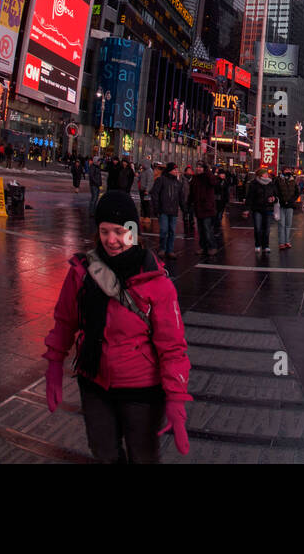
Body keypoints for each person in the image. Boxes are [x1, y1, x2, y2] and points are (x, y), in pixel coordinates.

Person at [43, 191, 191, 463]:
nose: (111, 240)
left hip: (141, 391)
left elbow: (172, 348)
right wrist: (54, 364)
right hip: (95, 383)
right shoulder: (83, 272)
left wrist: (176, 399)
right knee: (104, 454)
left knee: (142, 457)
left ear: (133, 231)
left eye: (119, 232)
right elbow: (65, 322)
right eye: (104, 231)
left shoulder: (157, 283)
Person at [150, 162, 183, 261]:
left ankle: (170, 250)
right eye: (174, 170)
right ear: (170, 171)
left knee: (172, 231)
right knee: (164, 230)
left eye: (177, 170)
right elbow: (155, 194)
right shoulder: (161, 180)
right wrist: (156, 208)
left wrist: (183, 207)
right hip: (163, 209)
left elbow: (180, 196)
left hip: (173, 210)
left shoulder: (177, 183)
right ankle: (162, 248)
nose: (176, 171)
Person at [245, 164, 276, 255]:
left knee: (267, 229)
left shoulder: (271, 183)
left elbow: (276, 195)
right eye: (264, 174)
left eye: (267, 174)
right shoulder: (254, 184)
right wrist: (247, 209)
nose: (266, 175)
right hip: (257, 208)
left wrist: (274, 199)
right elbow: (249, 197)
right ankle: (258, 245)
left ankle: (266, 246)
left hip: (268, 208)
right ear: (260, 175)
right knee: (258, 228)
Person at [190, 162, 219, 258]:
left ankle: (212, 246)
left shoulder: (208, 177)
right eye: (197, 167)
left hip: (207, 208)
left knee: (207, 229)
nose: (198, 169)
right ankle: (203, 247)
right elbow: (192, 192)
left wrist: (208, 173)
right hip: (198, 207)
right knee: (201, 229)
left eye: (200, 167)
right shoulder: (195, 178)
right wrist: (189, 203)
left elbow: (214, 182)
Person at [276, 169, 299, 250]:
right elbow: (276, 191)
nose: (287, 171)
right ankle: (281, 243)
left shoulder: (293, 180)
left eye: (288, 170)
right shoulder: (278, 180)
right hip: (281, 205)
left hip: (290, 205)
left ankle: (287, 241)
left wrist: (291, 200)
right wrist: (282, 200)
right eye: (285, 170)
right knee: (281, 224)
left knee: (288, 224)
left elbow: (297, 192)